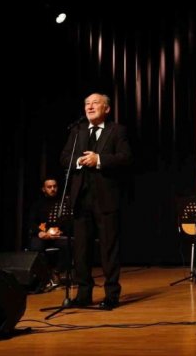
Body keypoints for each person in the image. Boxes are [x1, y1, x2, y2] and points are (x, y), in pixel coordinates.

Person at [60, 93, 132, 309]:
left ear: (106, 109)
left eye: (95, 103)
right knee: (81, 250)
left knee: (109, 249)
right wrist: (80, 161)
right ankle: (83, 294)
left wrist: (99, 159)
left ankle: (111, 295)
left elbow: (125, 157)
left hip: (106, 199)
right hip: (81, 199)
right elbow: (64, 158)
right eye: (87, 104)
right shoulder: (78, 130)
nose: (90, 107)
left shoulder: (117, 130)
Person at [26, 177, 70, 286]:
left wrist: (61, 231)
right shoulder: (38, 204)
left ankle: (57, 271)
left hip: (58, 235)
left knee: (70, 244)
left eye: (54, 186)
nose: (52, 189)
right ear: (43, 189)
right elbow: (31, 222)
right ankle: (45, 274)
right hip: (43, 235)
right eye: (49, 187)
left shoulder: (64, 203)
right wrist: (40, 232)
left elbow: (70, 221)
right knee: (36, 246)